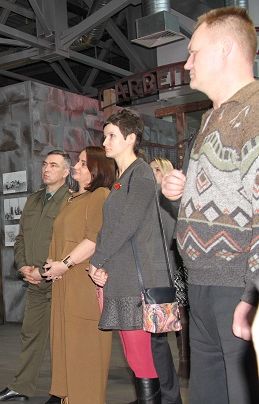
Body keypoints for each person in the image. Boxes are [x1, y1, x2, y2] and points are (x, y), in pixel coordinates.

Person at [160, 6, 259, 403]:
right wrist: (180, 198)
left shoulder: (255, 111)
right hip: (202, 283)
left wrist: (252, 296)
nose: (187, 64)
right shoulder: (210, 119)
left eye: (193, 52)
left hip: (237, 286)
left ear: (225, 49)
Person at [88, 110, 181, 404]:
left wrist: (97, 259)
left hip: (135, 282)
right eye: (104, 136)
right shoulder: (122, 178)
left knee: (141, 355)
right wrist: (102, 262)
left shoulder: (140, 173)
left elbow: (127, 223)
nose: (105, 142)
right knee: (134, 354)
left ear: (131, 138)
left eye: (111, 135)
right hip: (121, 277)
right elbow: (111, 228)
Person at [0, 150, 71, 402]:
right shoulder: (34, 199)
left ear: (66, 172)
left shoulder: (71, 201)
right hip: (34, 281)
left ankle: (61, 392)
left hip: (60, 281)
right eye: (45, 164)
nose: (46, 169)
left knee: (62, 339)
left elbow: (69, 244)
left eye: (53, 165)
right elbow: (20, 237)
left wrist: (43, 271)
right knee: (30, 334)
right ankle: (21, 387)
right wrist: (23, 267)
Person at [42, 146, 116, 404]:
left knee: (85, 350)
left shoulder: (100, 195)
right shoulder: (72, 199)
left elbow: (94, 240)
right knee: (66, 348)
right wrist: (53, 262)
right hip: (65, 283)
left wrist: (63, 264)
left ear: (97, 169)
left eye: (83, 163)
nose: (76, 166)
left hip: (83, 283)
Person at [150, 157, 190, 380]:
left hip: (177, 265)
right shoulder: (150, 198)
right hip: (161, 266)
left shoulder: (171, 199)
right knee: (166, 320)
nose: (153, 173)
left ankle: (185, 360)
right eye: (151, 169)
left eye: (157, 170)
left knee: (183, 317)